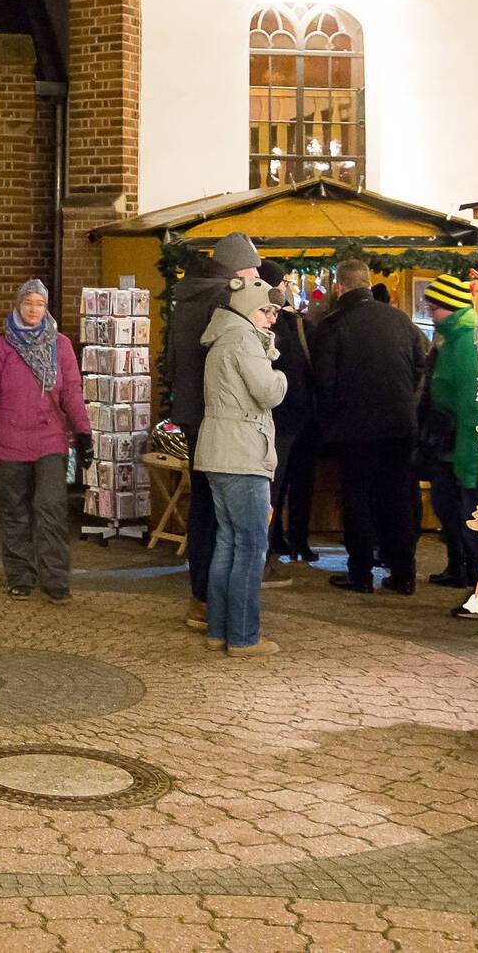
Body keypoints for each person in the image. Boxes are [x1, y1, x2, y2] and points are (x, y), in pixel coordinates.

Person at [312, 258, 429, 595]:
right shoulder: (400, 320)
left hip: (356, 427)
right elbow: (421, 367)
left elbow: (325, 380)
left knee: (358, 497)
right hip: (400, 425)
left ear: (340, 286)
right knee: (399, 497)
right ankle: (403, 573)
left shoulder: (334, 325)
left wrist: (332, 419)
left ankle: (360, 572)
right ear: (367, 282)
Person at [0, 279, 91, 601]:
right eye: (28, 303)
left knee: (50, 507)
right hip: (8, 440)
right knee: (16, 510)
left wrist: (83, 431)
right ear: (19, 304)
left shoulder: (61, 345)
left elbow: (71, 391)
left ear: (46, 307)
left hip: (49, 439)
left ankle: (55, 580)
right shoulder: (0, 347)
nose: (33, 310)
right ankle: (21, 574)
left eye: (39, 304)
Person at [167, 232, 262, 628]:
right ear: (239, 268)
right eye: (254, 269)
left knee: (205, 507)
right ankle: (217, 608)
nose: (258, 277)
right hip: (220, 416)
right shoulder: (225, 296)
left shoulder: (188, 295)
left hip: (193, 413)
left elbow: (173, 360)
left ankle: (201, 600)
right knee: (223, 516)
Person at [194, 277, 289, 654]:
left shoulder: (224, 337)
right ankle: (244, 637)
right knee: (251, 547)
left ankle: (219, 630)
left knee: (228, 543)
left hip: (219, 452)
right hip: (242, 455)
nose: (271, 320)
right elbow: (268, 392)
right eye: (267, 311)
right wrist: (280, 374)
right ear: (250, 308)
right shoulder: (244, 340)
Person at [423, 273, 478, 596]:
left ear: (449, 307)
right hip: (450, 445)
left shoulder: (469, 341)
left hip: (465, 448)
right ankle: (465, 575)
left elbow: (472, 407)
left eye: (433, 307)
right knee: (451, 511)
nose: (429, 313)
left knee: (471, 520)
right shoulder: (455, 337)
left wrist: (467, 463)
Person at [256, 263, 317, 562]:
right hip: (294, 415)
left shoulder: (264, 323)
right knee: (289, 483)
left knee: (276, 484)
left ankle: (278, 541)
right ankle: (288, 542)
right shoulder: (292, 325)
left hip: (281, 416)